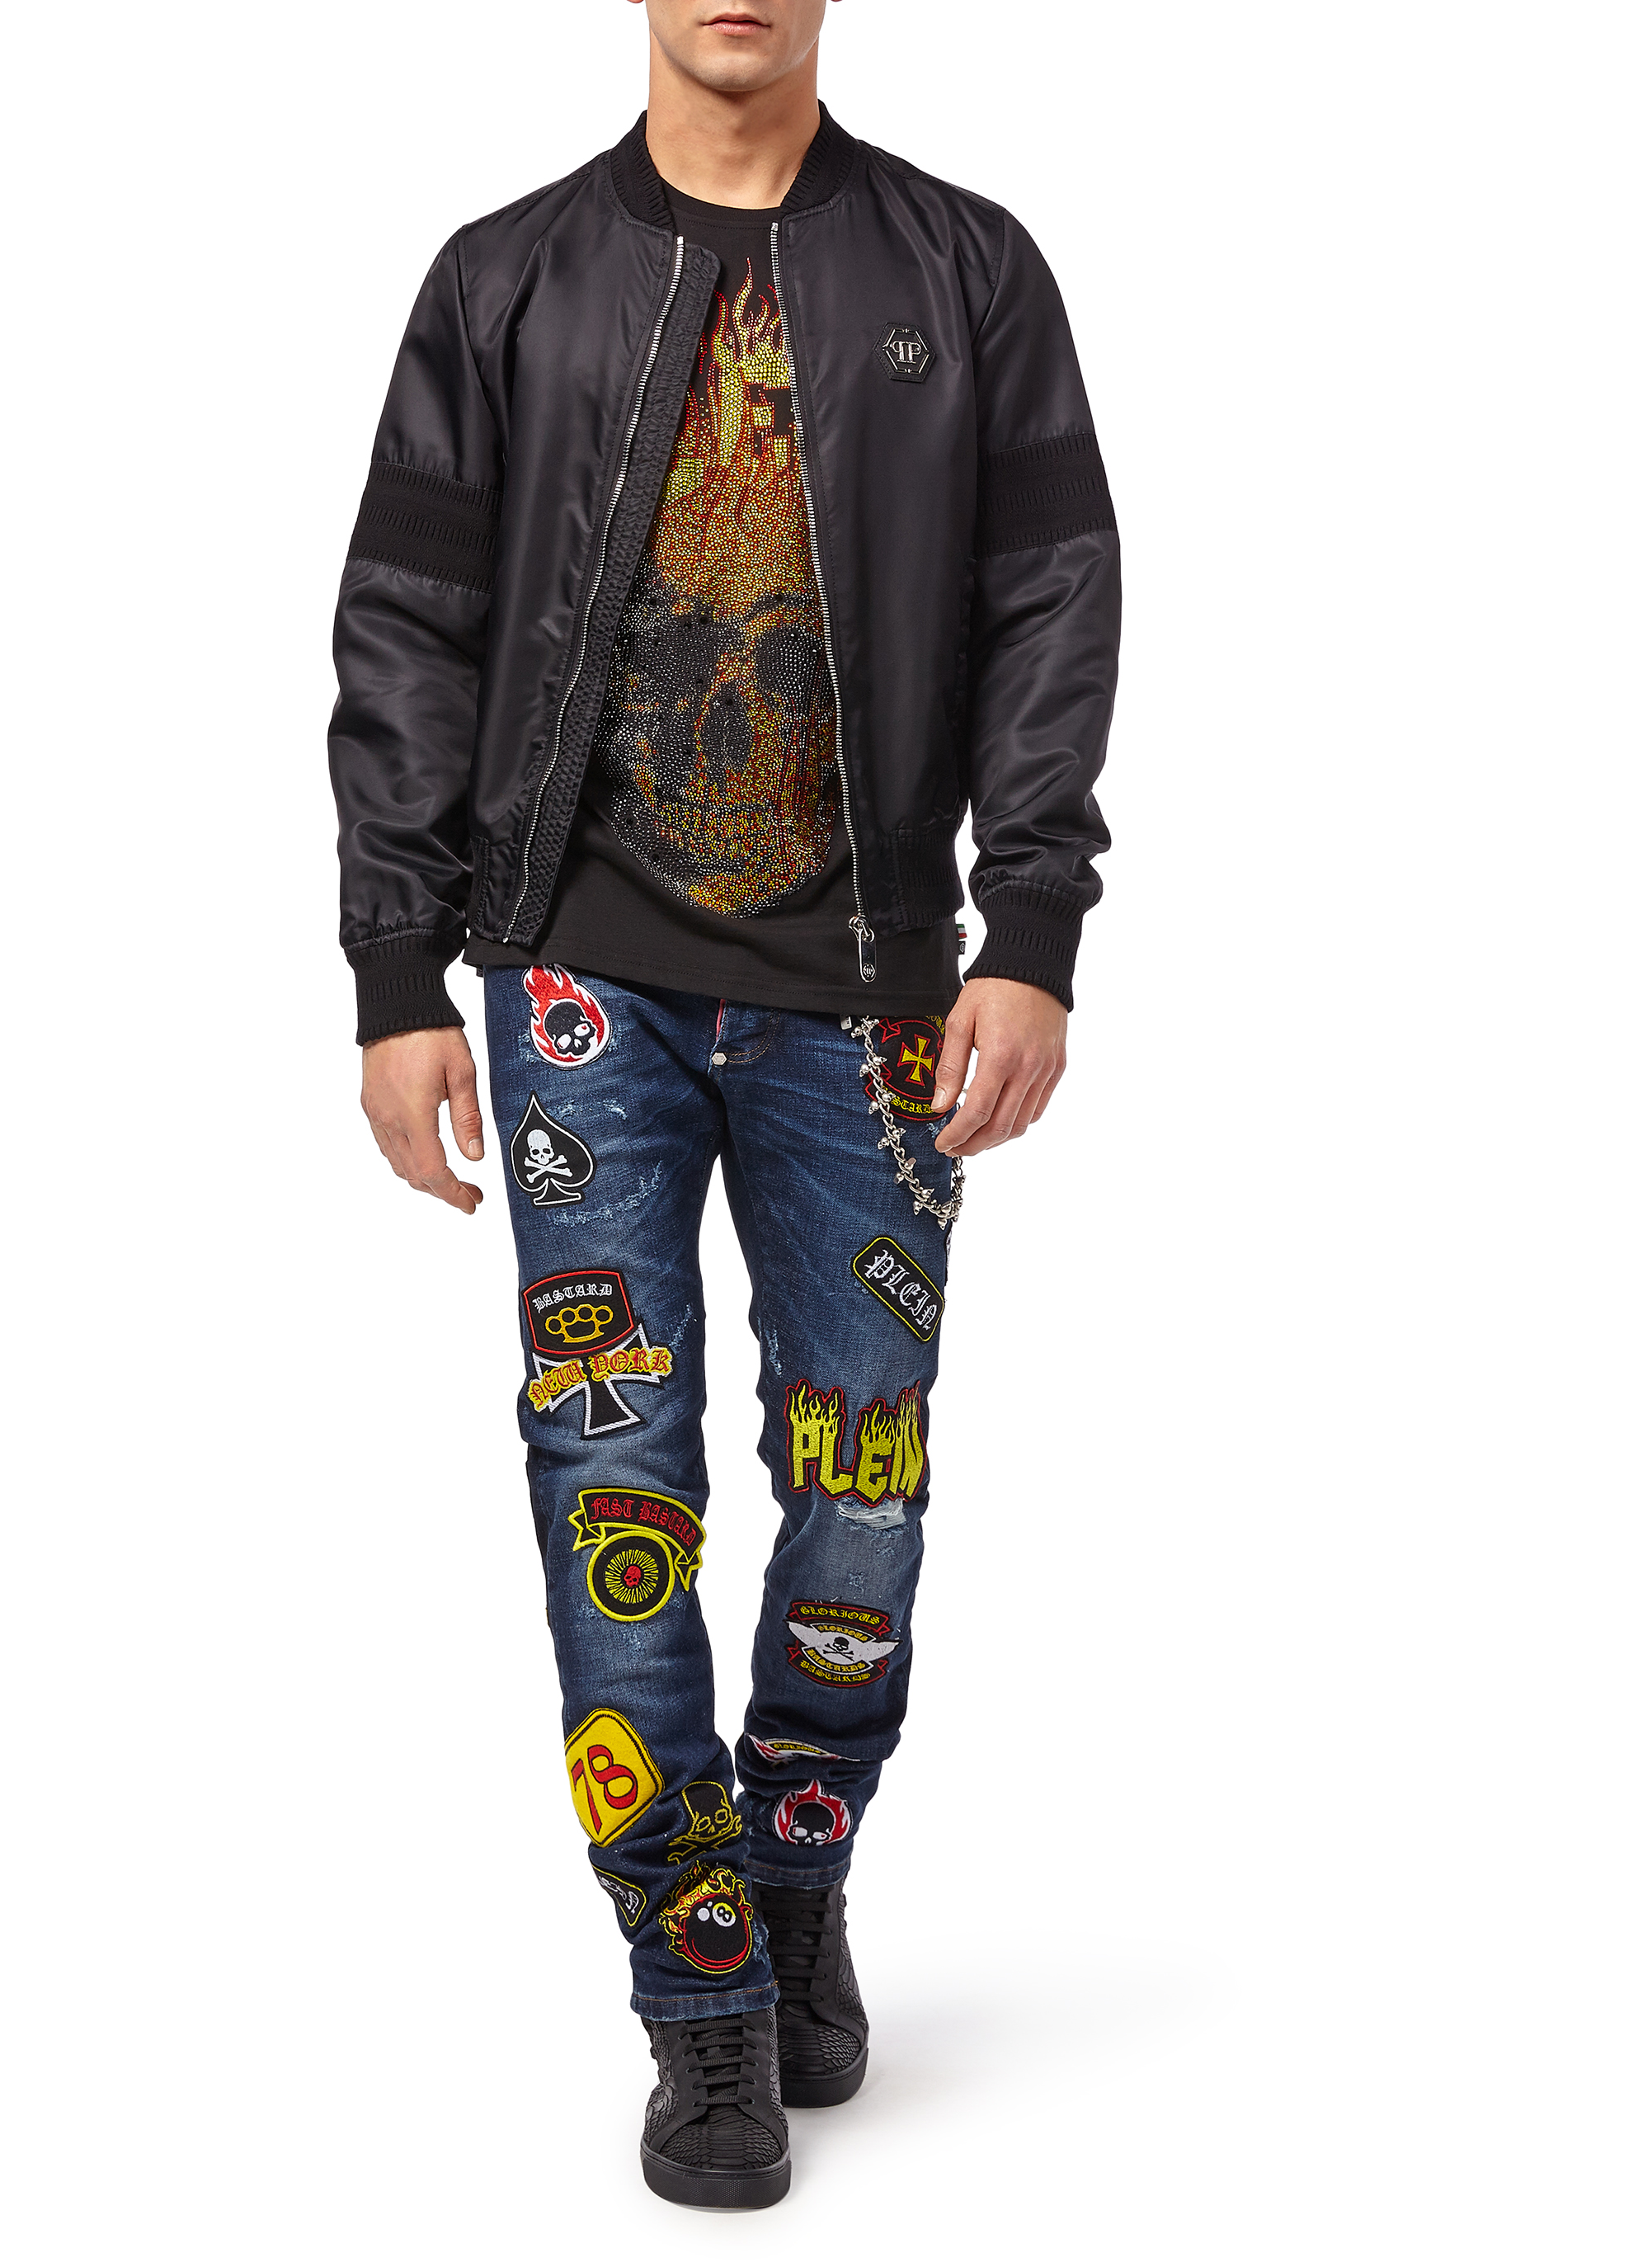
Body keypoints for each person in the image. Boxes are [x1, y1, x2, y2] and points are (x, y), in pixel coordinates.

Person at [327, 0, 1117, 2211]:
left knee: (862, 1482)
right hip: (579, 983)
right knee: (614, 1479)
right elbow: (408, 619)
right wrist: (397, 966)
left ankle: (795, 1867)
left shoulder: (968, 272)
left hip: (868, 1000)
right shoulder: (506, 279)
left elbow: (1053, 600)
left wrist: (1033, 924)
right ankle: (697, 1991)